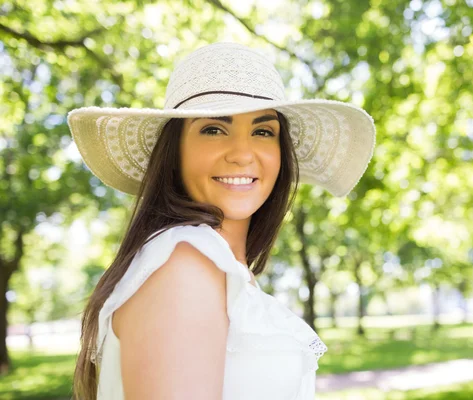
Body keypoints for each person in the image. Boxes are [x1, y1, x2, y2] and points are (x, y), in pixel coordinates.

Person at [68, 42, 376, 400]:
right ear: (174, 151)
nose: (242, 154)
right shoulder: (186, 264)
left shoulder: (215, 266)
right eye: (214, 129)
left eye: (263, 131)